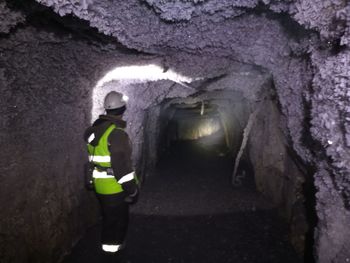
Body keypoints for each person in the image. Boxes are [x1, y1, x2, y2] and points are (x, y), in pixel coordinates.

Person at [84, 91, 139, 254]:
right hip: (115, 187)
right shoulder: (116, 134)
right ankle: (113, 251)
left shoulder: (95, 131)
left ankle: (108, 247)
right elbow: (121, 167)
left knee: (109, 218)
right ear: (123, 109)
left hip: (99, 185)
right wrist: (132, 189)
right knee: (118, 220)